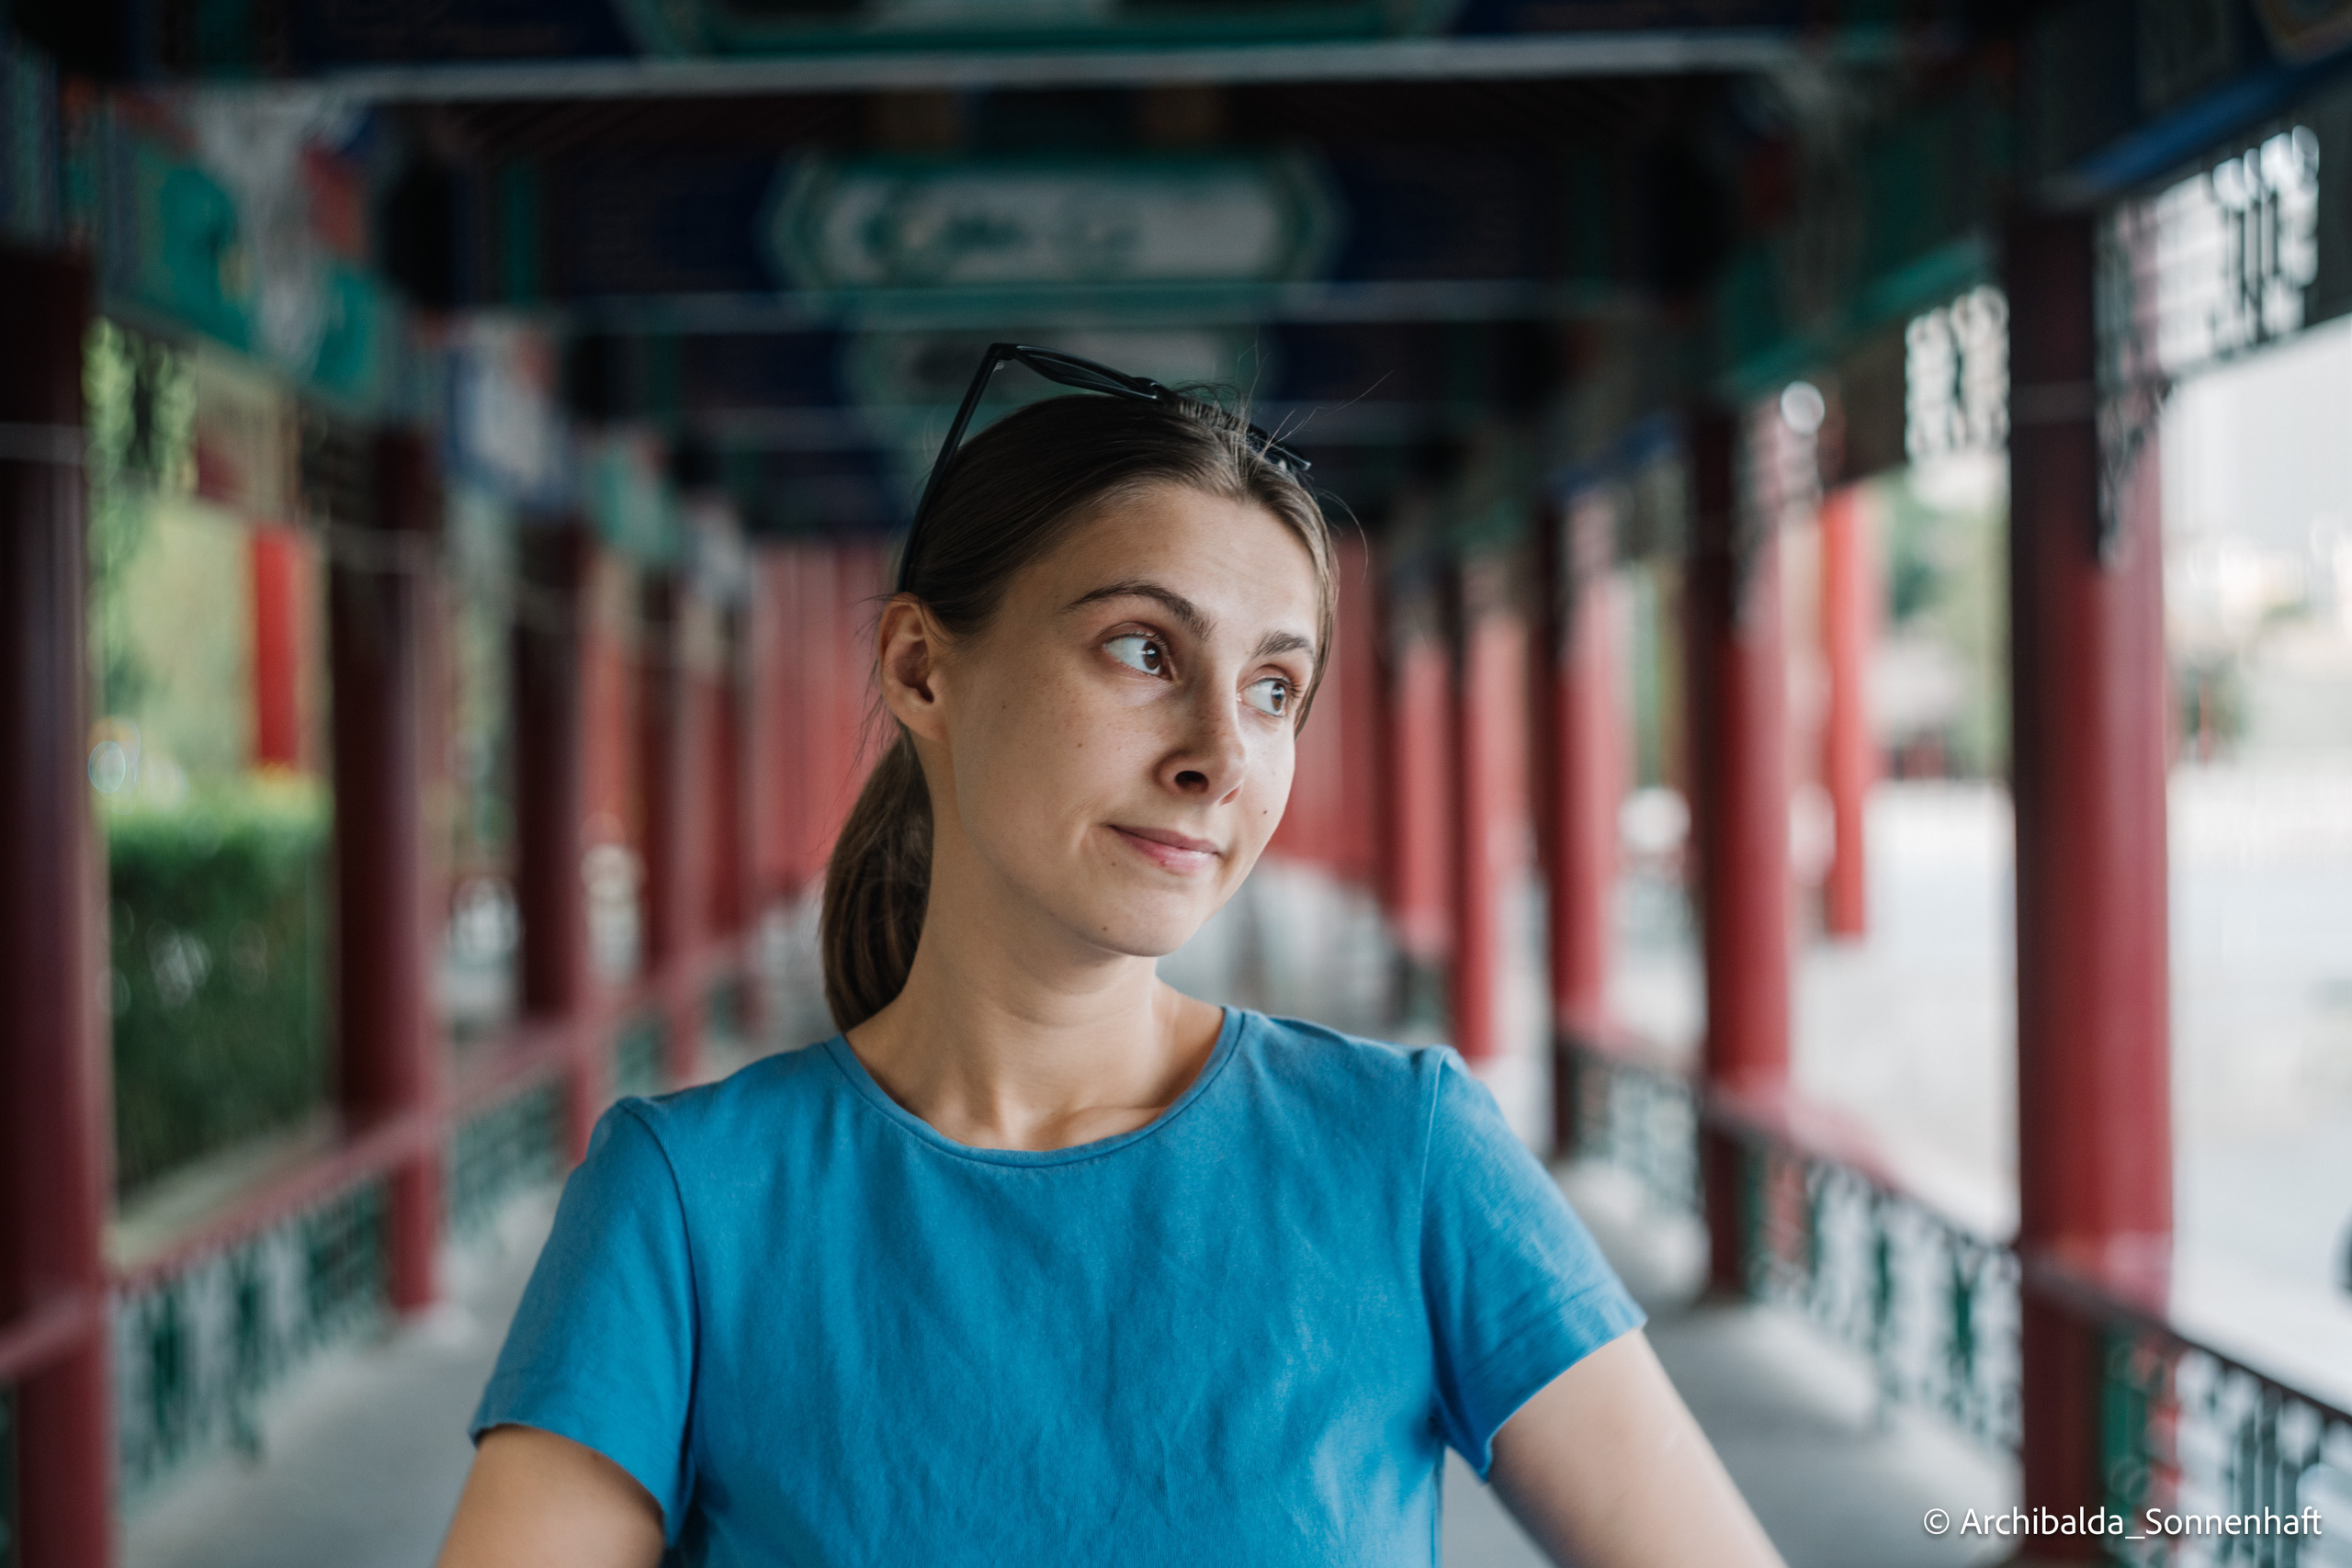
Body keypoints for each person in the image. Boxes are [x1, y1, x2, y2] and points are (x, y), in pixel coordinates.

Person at [435, 351, 1785, 1568]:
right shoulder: (688, 1206)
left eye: (1274, 688)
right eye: (1143, 650)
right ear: (918, 666)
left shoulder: (1405, 1158)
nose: (1221, 756)